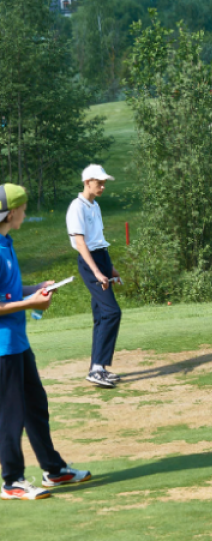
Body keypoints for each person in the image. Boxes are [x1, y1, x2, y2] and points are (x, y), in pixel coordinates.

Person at [0, 183, 91, 500]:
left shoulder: (5, 242)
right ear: (12, 212)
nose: (26, 213)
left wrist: (34, 288)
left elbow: (8, 291)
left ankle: (54, 470)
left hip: (17, 343)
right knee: (10, 415)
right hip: (2, 348)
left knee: (36, 406)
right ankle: (12, 481)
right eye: (23, 208)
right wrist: (32, 304)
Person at [66, 165, 122, 389]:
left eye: (104, 182)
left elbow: (98, 240)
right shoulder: (76, 208)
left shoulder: (95, 206)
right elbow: (81, 244)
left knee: (101, 316)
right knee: (112, 312)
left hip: (101, 259)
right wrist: (98, 272)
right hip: (90, 264)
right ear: (87, 181)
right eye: (99, 182)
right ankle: (97, 367)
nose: (102, 186)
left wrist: (110, 268)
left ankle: (97, 369)